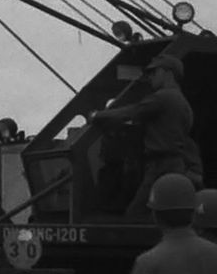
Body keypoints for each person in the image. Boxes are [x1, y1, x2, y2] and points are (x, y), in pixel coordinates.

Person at [83, 53, 202, 217]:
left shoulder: (163, 97)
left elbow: (133, 112)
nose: (150, 77)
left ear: (168, 73)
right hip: (173, 165)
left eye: (154, 72)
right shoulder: (181, 101)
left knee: (136, 214)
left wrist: (98, 116)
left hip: (161, 166)